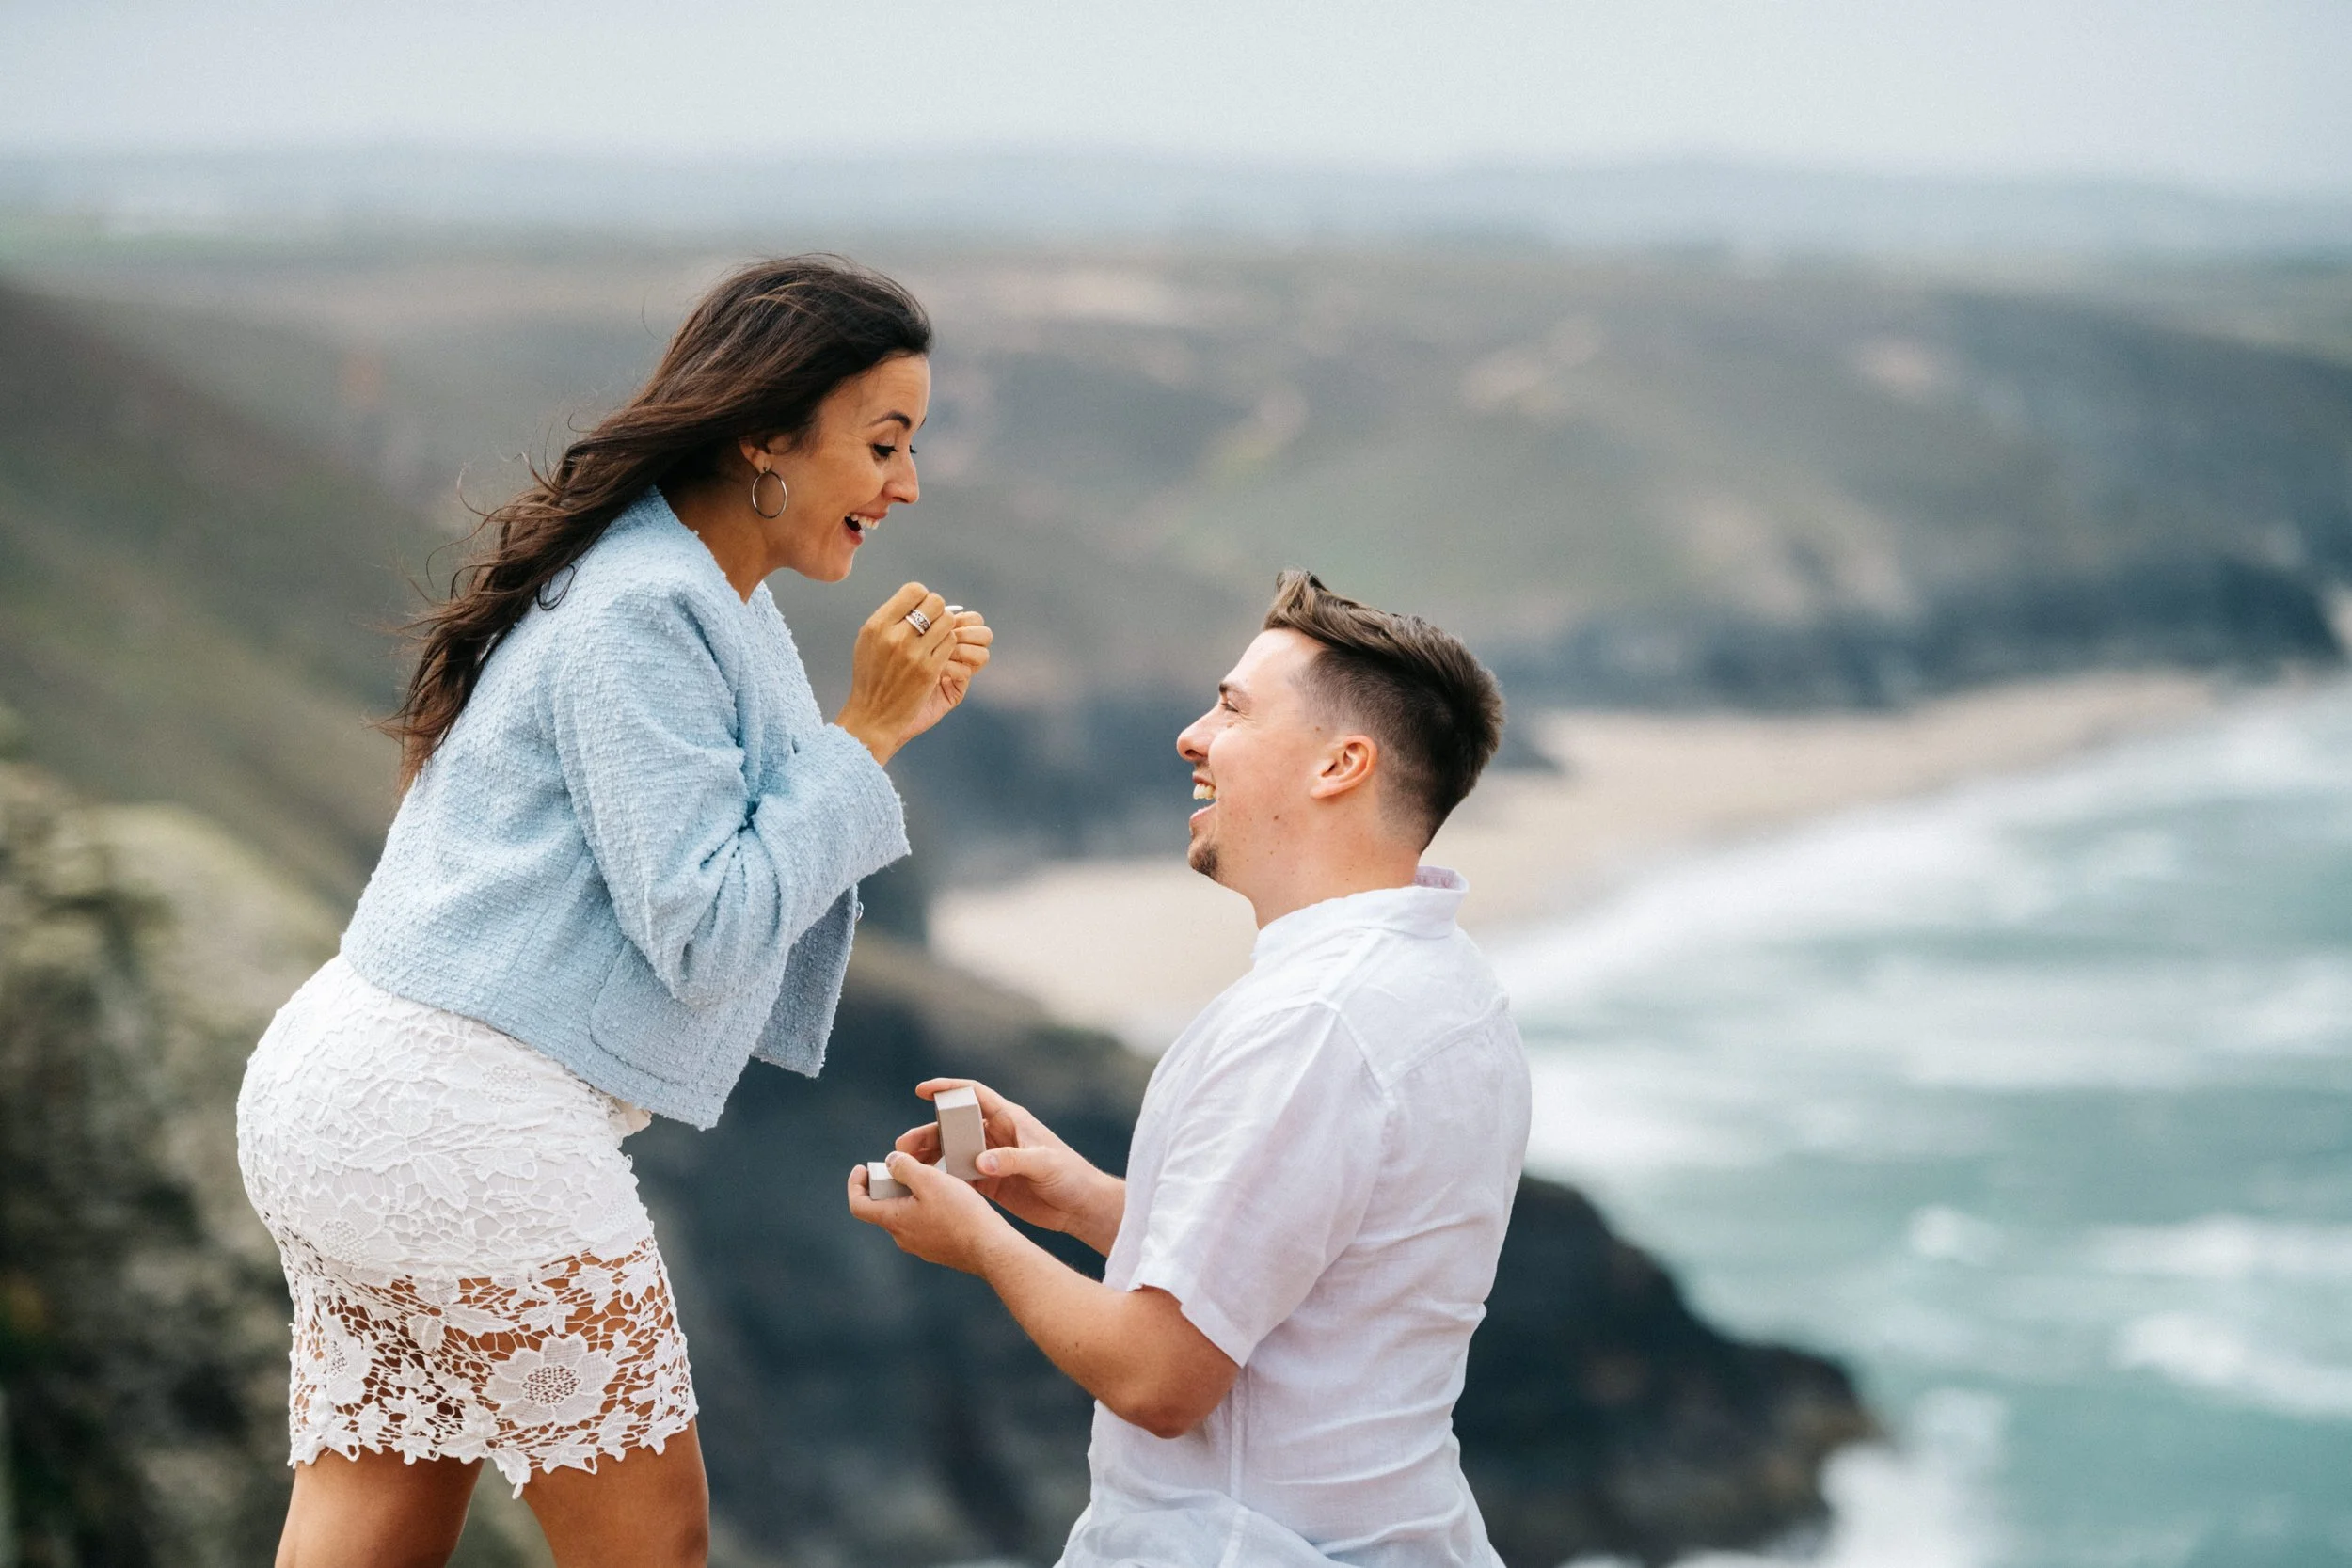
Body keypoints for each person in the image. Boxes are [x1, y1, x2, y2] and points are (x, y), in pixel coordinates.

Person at [235, 255, 991, 1568]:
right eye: (883, 442)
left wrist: (868, 736)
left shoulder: (687, 584)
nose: (906, 483)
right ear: (766, 432)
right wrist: (863, 737)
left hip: (359, 1090)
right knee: (651, 1542)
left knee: (375, 1513)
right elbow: (700, 921)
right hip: (455, 1115)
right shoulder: (647, 608)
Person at [850, 572, 1529, 1567]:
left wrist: (979, 1238)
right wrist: (1088, 1202)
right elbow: (1309, 1266)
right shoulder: (1452, 986)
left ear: (1340, 763)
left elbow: (1158, 1380)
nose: (1191, 734)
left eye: (1233, 707)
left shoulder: (1307, 1025)